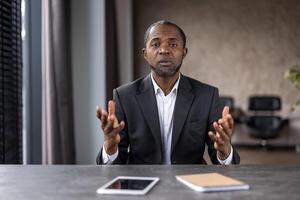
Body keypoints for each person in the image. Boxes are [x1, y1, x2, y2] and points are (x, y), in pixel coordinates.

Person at [96, 20, 240, 165]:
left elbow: (220, 158)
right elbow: (114, 166)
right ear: (145, 53)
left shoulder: (206, 96)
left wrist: (224, 152)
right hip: (142, 183)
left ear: (184, 52)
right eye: (156, 44)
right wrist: (110, 147)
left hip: (189, 184)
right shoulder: (125, 96)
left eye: (172, 44)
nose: (164, 50)